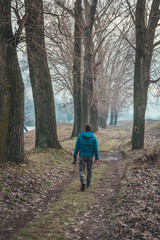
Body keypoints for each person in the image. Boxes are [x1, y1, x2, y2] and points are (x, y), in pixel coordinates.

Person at [73, 123, 99, 191]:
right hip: (90, 156)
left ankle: (83, 182)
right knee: (89, 170)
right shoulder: (93, 137)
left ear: (84, 129)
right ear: (90, 129)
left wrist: (75, 156)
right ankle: (88, 184)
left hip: (82, 156)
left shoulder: (80, 136)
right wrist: (96, 158)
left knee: (81, 170)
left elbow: (77, 147)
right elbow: (96, 148)